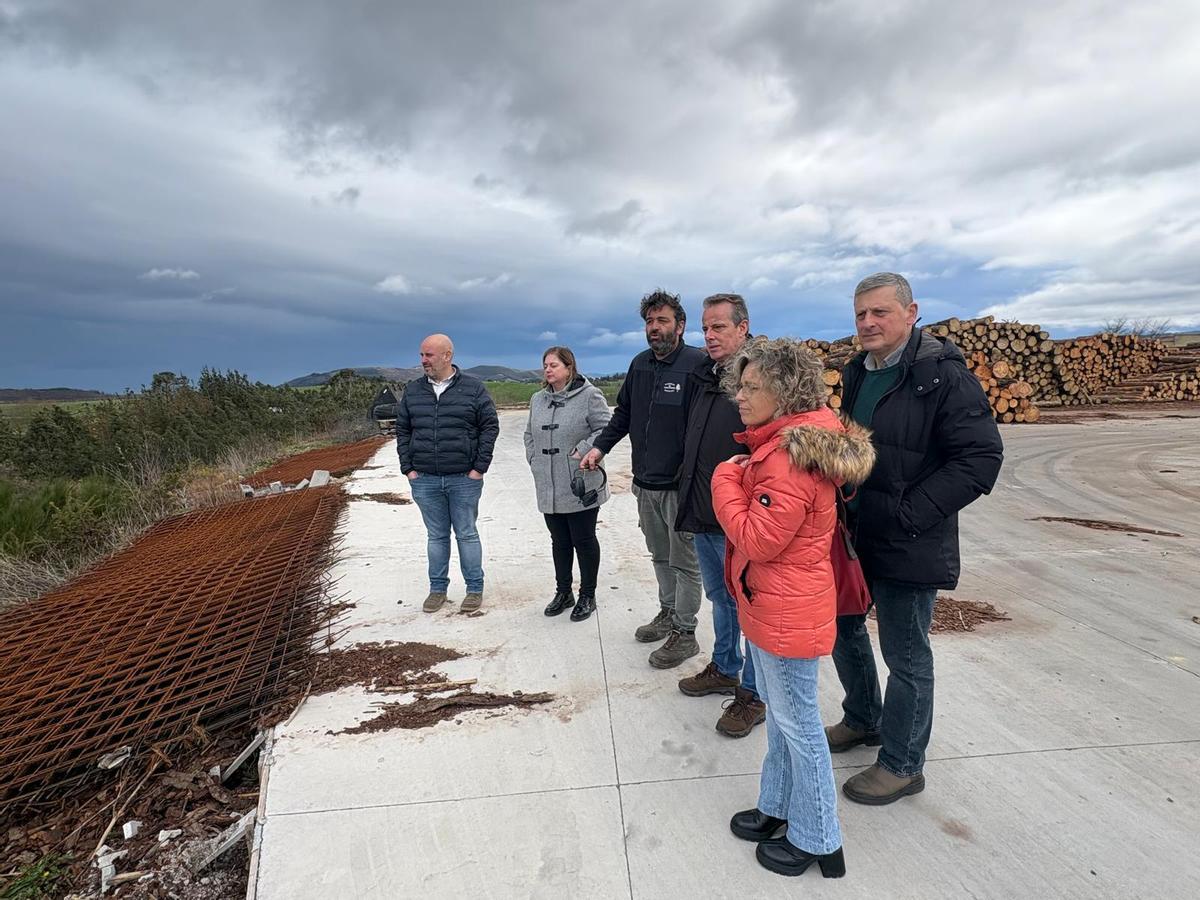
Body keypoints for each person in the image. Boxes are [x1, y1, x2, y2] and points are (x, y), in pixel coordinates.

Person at [828, 273, 1004, 805]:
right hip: (857, 533)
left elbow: (980, 459)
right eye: (861, 313)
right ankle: (864, 717)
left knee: (905, 656)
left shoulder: (943, 375)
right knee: (842, 629)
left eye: (880, 312)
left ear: (911, 312)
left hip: (909, 538)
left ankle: (903, 764)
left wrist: (910, 513)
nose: (867, 323)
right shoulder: (858, 372)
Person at [713, 337, 875, 878]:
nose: (739, 396)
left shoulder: (787, 458)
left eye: (752, 387)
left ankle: (819, 838)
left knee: (799, 725)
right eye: (740, 385)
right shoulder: (781, 447)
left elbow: (758, 540)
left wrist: (724, 480)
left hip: (786, 610)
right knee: (783, 720)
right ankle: (778, 806)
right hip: (771, 604)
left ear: (784, 394)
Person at [580, 290, 706, 668]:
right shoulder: (639, 365)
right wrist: (599, 448)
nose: (654, 328)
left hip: (679, 489)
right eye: (649, 321)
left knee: (685, 563)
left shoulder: (696, 365)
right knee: (661, 556)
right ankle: (668, 612)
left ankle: (685, 632)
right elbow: (623, 415)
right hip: (645, 484)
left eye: (662, 320)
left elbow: (704, 427)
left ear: (680, 326)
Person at [674, 293, 764, 738]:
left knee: (752, 606)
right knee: (721, 597)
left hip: (742, 520)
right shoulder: (706, 377)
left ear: (742, 328)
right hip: (706, 511)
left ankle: (754, 692)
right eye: (705, 328)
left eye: (719, 327)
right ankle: (727, 666)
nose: (709, 336)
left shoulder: (760, 379)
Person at [395, 333, 500, 613]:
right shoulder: (413, 391)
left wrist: (479, 468)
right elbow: (403, 430)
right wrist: (408, 468)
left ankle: (474, 589)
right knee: (436, 536)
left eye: (428, 355)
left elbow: (489, 426)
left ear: (447, 355)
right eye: (421, 355)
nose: (423, 360)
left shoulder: (473, 388)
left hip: (464, 478)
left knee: (466, 534)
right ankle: (437, 590)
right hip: (425, 479)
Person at [524, 346, 612, 622]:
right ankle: (564, 592)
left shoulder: (589, 395)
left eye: (554, 365)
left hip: (580, 481)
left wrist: (584, 449)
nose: (548, 370)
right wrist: (534, 459)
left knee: (583, 540)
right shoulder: (537, 399)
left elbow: (606, 429)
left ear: (569, 367)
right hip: (547, 482)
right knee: (559, 541)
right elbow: (529, 434)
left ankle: (588, 595)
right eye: (545, 365)